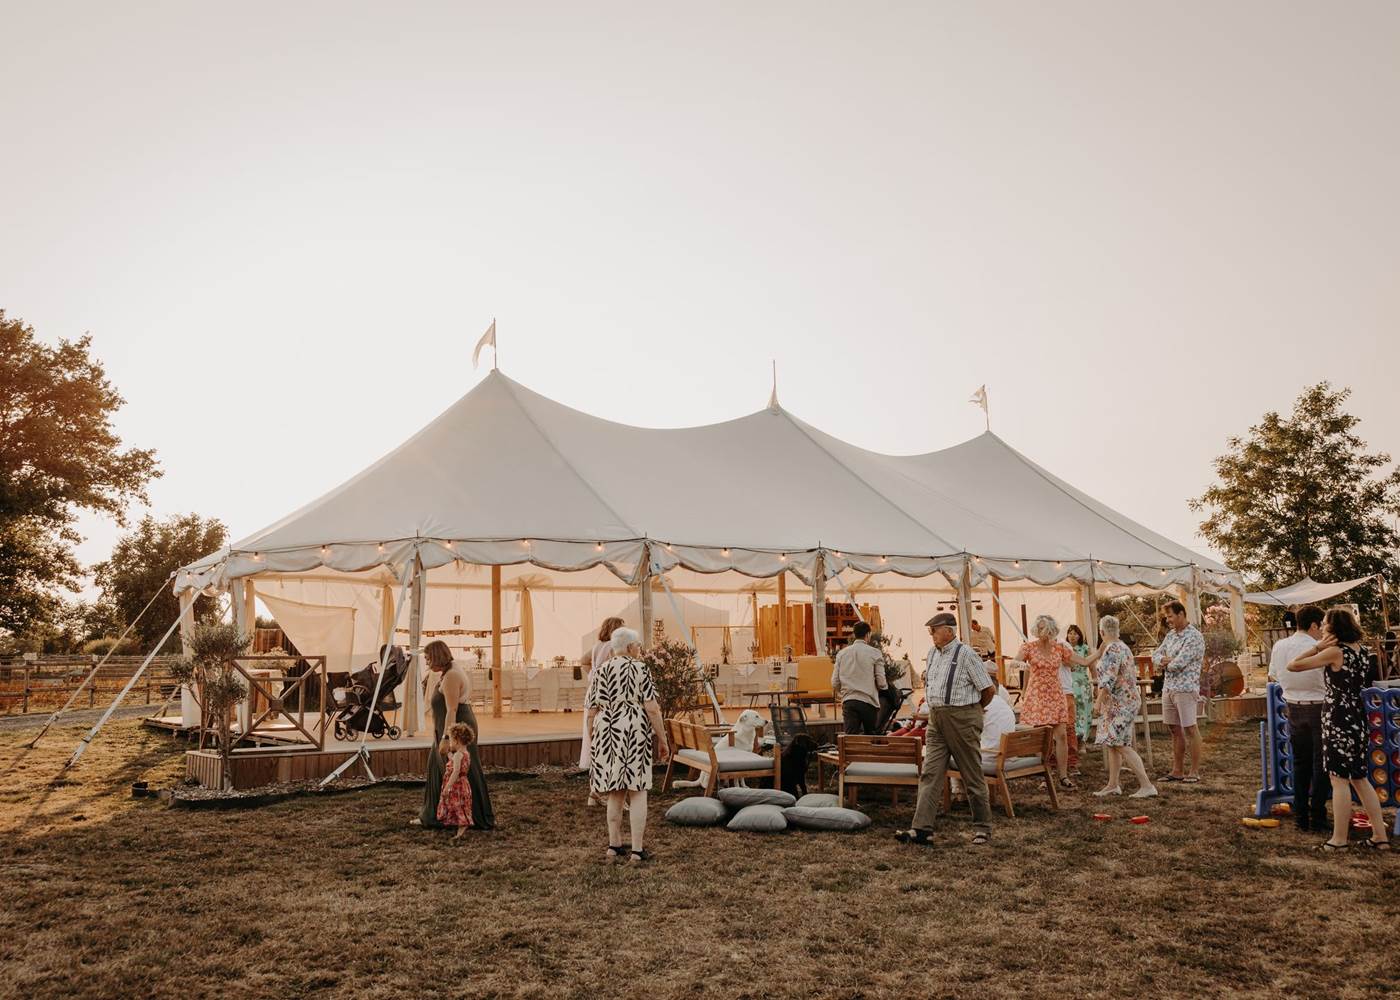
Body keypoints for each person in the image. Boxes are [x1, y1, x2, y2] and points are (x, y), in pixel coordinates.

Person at [1287, 608, 1391, 852]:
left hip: (1338, 717)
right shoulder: (1362, 651)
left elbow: (1293, 666)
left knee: (1338, 779)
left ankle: (1339, 839)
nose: (1322, 628)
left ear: (1334, 628)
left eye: (1325, 624)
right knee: (1360, 778)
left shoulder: (1334, 652)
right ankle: (1379, 835)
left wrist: (1317, 647)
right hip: (1357, 715)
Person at [895, 613, 996, 847]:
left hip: (962, 716)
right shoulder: (931, 654)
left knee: (971, 772)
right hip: (937, 718)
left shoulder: (967, 654)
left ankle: (983, 827)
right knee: (930, 772)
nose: (931, 634)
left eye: (935, 630)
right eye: (930, 630)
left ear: (949, 631)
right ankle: (921, 829)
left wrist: (972, 712)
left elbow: (987, 689)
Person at [587, 627, 669, 863]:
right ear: (631, 647)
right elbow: (652, 708)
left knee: (615, 790)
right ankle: (637, 850)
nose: (639, 651)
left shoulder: (601, 670)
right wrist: (662, 739)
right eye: (638, 647)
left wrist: (594, 738)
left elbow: (591, 711)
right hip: (633, 728)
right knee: (638, 789)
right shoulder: (640, 668)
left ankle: (614, 846)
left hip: (606, 728)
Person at [417, 640, 496, 831]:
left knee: (463, 771)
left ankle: (474, 816)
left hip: (455, 729)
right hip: (447, 728)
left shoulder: (452, 675)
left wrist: (447, 738)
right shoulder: (448, 671)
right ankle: (434, 815)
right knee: (436, 769)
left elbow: (452, 710)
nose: (427, 663)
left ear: (437, 656)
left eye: (428, 658)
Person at [1017, 615, 1097, 790]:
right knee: (1044, 738)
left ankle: (1063, 776)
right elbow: (1016, 660)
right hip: (1038, 696)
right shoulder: (1028, 647)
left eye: (1045, 629)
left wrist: (1100, 650)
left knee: (1061, 736)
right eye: (1040, 628)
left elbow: (1083, 662)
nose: (1042, 632)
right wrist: (1017, 664)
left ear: (1052, 630)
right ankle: (1046, 775)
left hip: (1055, 694)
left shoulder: (1059, 648)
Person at [1267, 605, 1328, 832]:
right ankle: (1318, 816)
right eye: (1321, 626)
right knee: (1321, 764)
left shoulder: (1280, 645)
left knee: (1300, 763)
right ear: (1314, 625)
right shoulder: (1318, 647)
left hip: (1292, 706)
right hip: (1319, 707)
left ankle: (1301, 815)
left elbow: (1273, 674)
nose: (1323, 631)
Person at [1092, 615, 1157, 798]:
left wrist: (1097, 701)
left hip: (1120, 703)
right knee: (1114, 744)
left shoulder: (1112, 649)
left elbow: (1108, 679)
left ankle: (1147, 785)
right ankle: (1113, 784)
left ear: (1102, 632)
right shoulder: (1123, 647)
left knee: (1120, 743)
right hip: (1124, 701)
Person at [1151, 600, 1206, 783]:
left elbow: (1179, 664)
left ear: (1181, 614)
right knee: (1174, 729)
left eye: (1170, 616)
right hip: (1169, 688)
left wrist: (1167, 661)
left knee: (1190, 728)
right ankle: (1177, 771)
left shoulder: (1194, 637)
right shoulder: (1171, 636)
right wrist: (1164, 660)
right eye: (1166, 617)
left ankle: (1194, 771)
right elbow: (1155, 655)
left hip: (1186, 688)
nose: (1168, 620)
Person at [581, 616, 626, 805]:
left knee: (598, 745)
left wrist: (592, 676)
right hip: (608, 698)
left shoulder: (598, 646)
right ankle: (610, 793)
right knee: (612, 746)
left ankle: (594, 793)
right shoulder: (613, 649)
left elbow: (584, 661)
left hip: (593, 695)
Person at [831, 620, 889, 735]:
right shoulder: (875, 653)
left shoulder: (842, 654)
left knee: (850, 739)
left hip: (849, 701)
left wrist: (843, 692)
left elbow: (835, 682)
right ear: (868, 635)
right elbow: (881, 683)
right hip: (868, 701)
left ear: (854, 634)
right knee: (870, 738)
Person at [437, 722, 477, 838]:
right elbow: (455, 761)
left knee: (459, 806)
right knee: (461, 806)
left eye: (451, 740)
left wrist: (448, 786)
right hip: (463, 784)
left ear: (457, 740)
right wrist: (449, 753)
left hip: (457, 786)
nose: (450, 742)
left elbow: (456, 771)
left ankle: (461, 829)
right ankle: (460, 827)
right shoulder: (465, 753)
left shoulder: (459, 755)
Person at [1065, 624, 1095, 774]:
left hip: (1082, 684)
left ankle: (1082, 741)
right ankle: (1073, 743)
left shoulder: (1085, 649)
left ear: (1080, 636)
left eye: (1075, 634)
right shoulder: (1064, 648)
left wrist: (1095, 680)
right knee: (1074, 714)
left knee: (1084, 712)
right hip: (1069, 683)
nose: (1072, 636)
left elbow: (1092, 666)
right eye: (1070, 633)